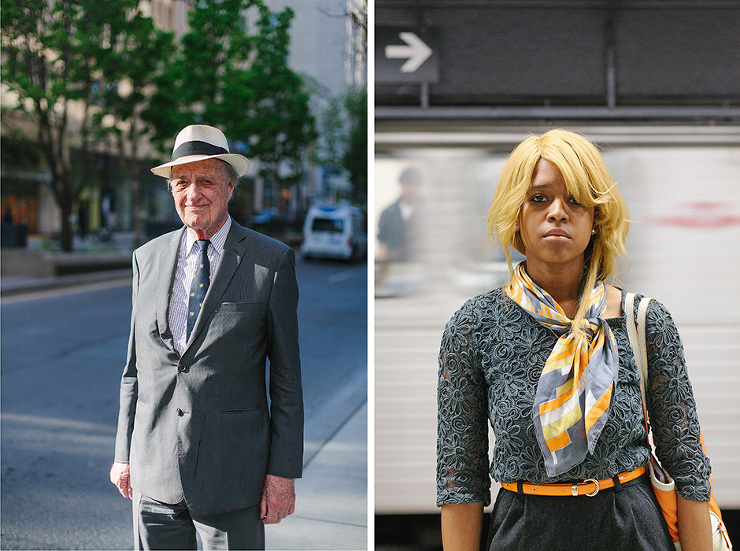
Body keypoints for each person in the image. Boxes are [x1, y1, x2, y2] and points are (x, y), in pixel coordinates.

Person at [436, 129, 713, 551]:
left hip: (632, 532)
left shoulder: (643, 321)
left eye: (576, 199)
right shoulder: (474, 326)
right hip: (525, 532)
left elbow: (688, 465)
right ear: (516, 213)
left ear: (597, 217)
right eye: (539, 198)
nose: (558, 213)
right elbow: (460, 478)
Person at [110, 124, 303, 550]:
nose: (192, 193)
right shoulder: (147, 259)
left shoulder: (270, 262)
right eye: (182, 182)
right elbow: (134, 370)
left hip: (233, 477)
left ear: (230, 186)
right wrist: (124, 454)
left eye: (206, 181)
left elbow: (286, 379)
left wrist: (282, 473)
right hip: (153, 473)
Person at [377, 166, 422, 262]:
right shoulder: (387, 213)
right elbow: (382, 242)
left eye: (413, 184)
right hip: (394, 267)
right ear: (401, 185)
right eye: (406, 184)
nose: (410, 188)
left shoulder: (430, 212)